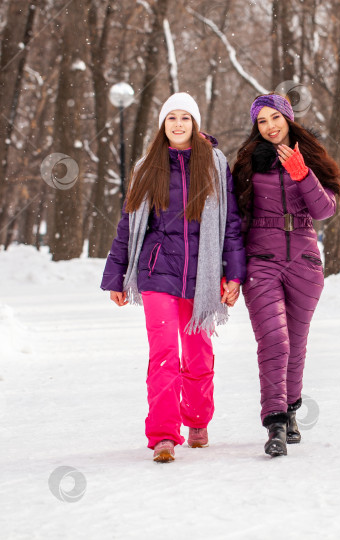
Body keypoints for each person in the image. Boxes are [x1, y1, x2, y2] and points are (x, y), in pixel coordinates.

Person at [101, 92, 246, 463]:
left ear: (194, 123)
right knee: (163, 353)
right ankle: (164, 433)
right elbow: (127, 225)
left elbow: (230, 223)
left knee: (198, 352)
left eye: (185, 118)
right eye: (171, 118)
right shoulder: (147, 167)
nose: (178, 124)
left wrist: (234, 273)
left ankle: (197, 419)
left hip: (203, 270)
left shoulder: (214, 164)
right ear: (163, 125)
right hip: (157, 271)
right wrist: (117, 276)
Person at [232, 94, 340, 457]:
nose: (269, 126)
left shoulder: (310, 156)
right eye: (262, 121)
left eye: (274, 118)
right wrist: (232, 270)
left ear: (287, 118)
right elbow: (234, 218)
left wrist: (302, 172)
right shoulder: (248, 163)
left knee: (296, 345)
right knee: (275, 340)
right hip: (261, 261)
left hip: (304, 262)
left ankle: (292, 409)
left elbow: (325, 209)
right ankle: (276, 423)